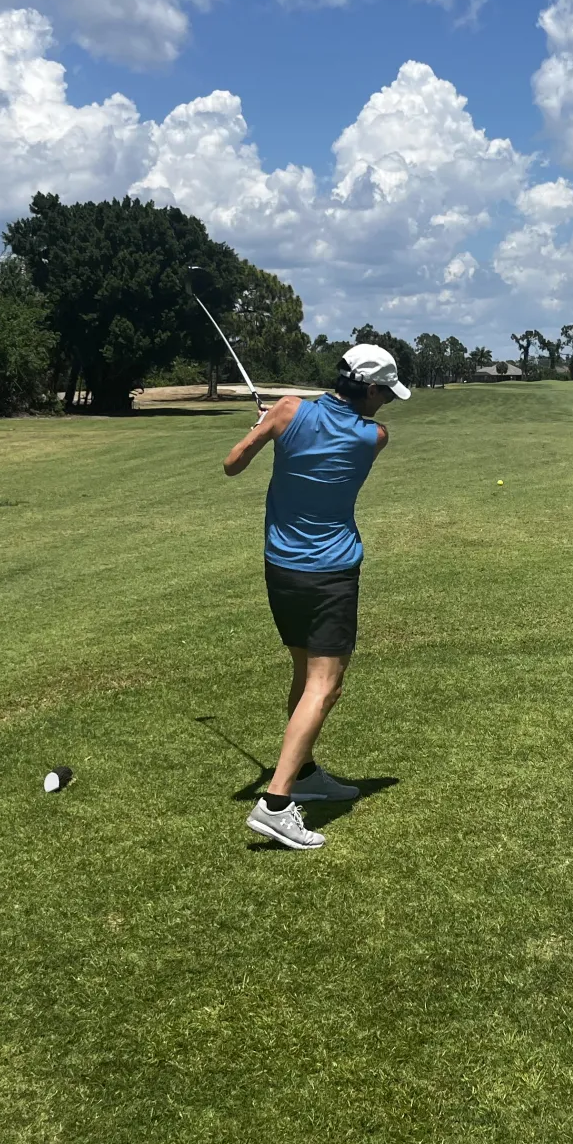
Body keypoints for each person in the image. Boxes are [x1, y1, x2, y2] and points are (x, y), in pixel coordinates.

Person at [222, 342, 409, 849]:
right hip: (330, 573)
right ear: (368, 390)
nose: (386, 403)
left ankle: (302, 773)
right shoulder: (374, 437)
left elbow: (233, 464)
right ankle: (276, 803)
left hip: (281, 567)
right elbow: (331, 430)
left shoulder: (287, 410)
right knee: (325, 687)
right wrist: (281, 423)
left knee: (305, 675)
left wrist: (268, 425)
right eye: (384, 394)